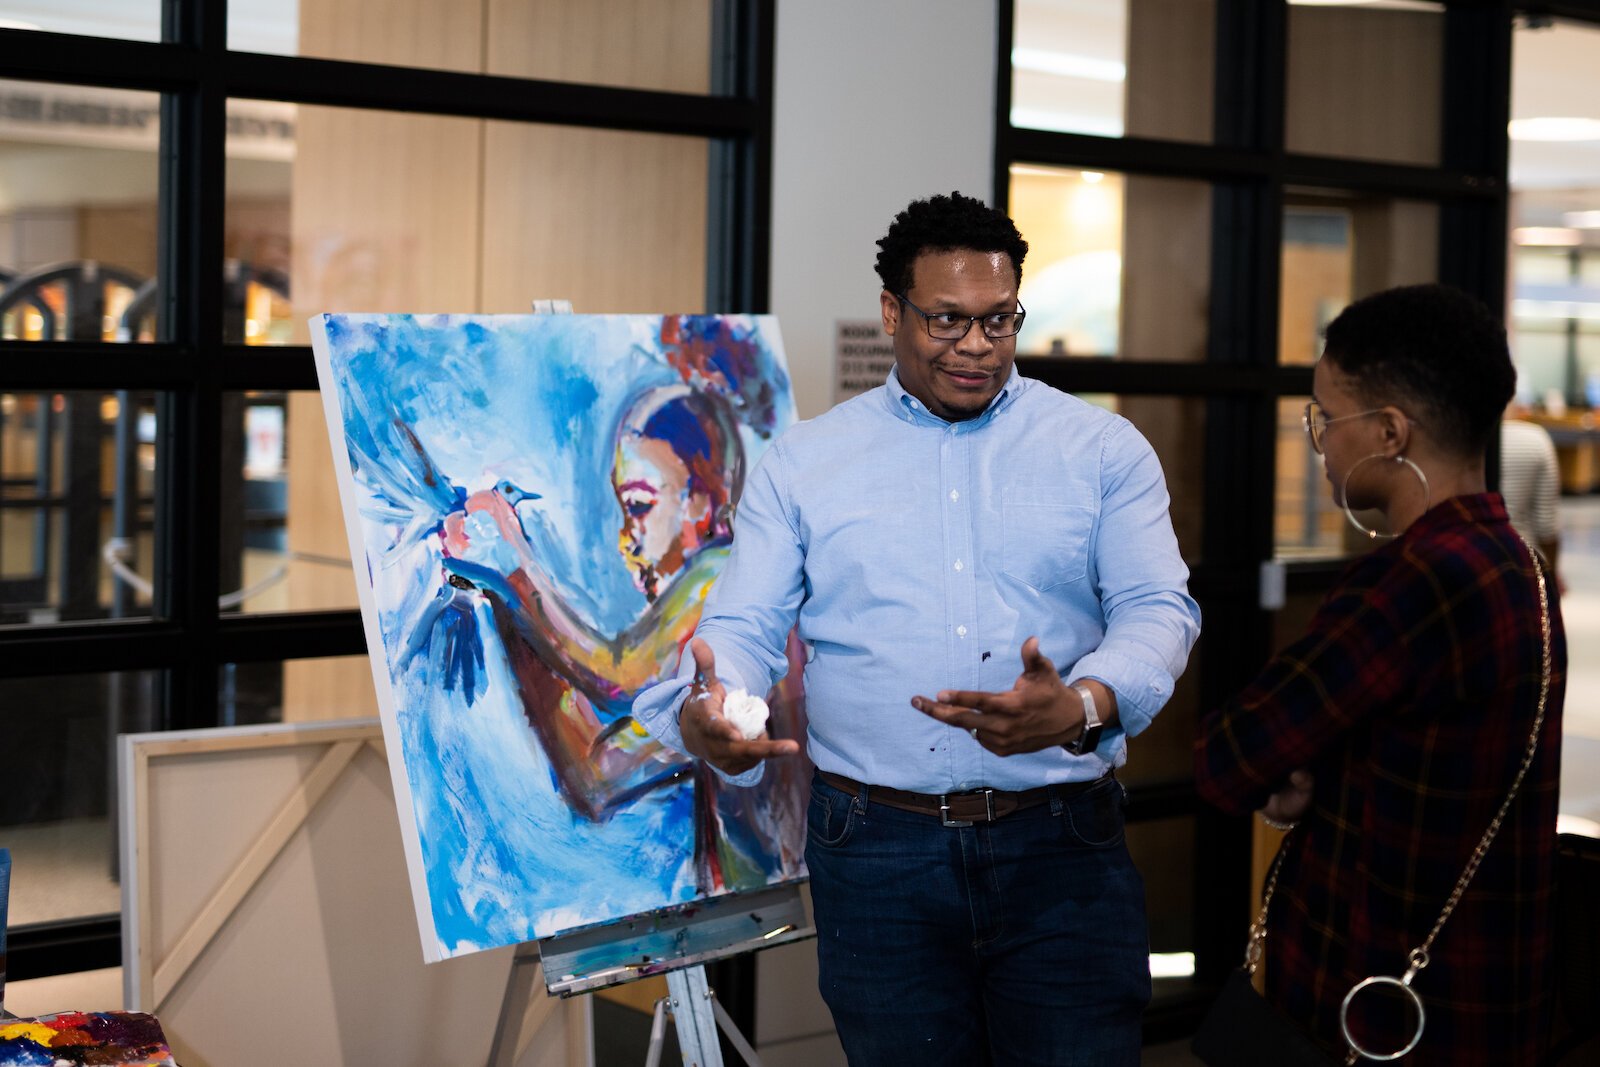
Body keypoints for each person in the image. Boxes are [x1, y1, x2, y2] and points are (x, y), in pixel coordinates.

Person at [634, 191, 1200, 1065]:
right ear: (893, 311)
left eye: (997, 319)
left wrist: (1087, 702)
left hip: (1062, 846)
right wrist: (715, 710)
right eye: (946, 320)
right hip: (877, 852)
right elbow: (743, 626)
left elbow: (1159, 607)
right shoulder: (805, 465)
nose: (976, 345)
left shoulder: (1101, 450)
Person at [1194, 284, 1566, 1065]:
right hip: (1484, 995)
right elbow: (1422, 738)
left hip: (1377, 1015)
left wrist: (1293, 769)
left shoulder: (1412, 581)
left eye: (1327, 419)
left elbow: (1228, 756)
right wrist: (1321, 766)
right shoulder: (1515, 564)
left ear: (1391, 432)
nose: (1319, 441)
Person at [1500, 412, 1562, 584]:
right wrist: (1553, 577)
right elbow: (1546, 526)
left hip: (1463, 563)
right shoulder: (1535, 439)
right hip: (1525, 564)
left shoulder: (1449, 437)